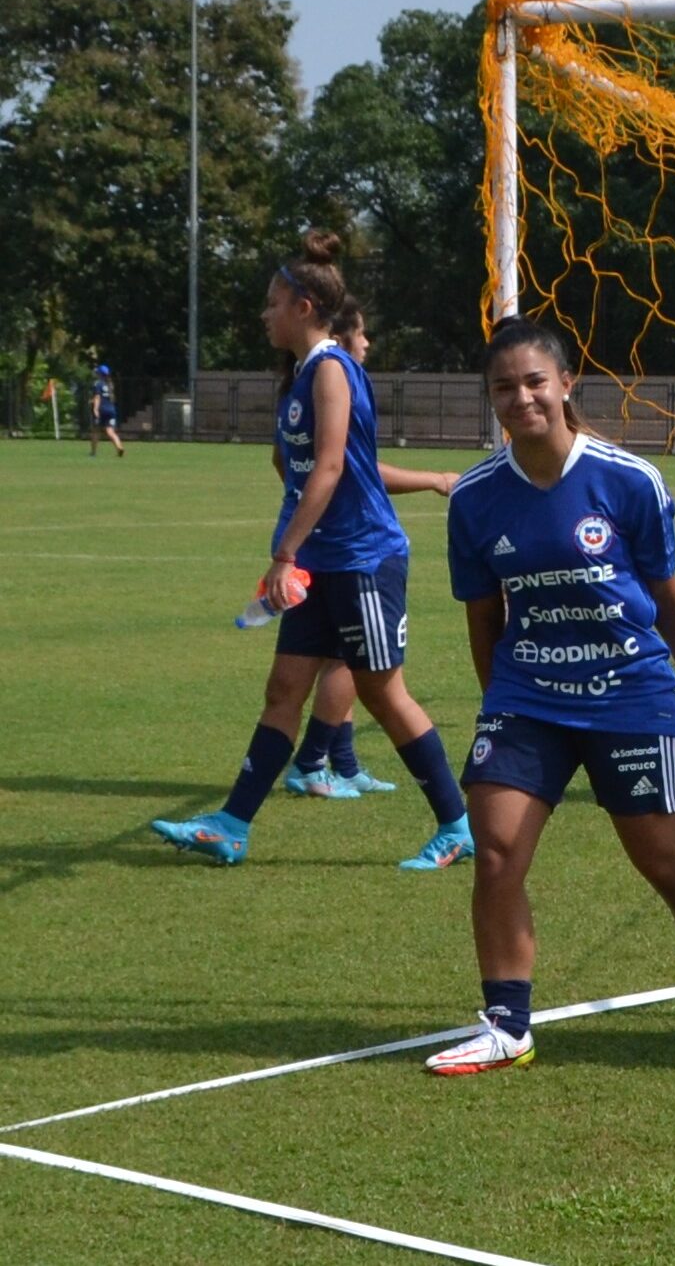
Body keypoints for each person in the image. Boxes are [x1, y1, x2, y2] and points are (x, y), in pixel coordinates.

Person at [424, 316, 675, 1076]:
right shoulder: (474, 498)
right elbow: (484, 616)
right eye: (504, 387)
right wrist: (500, 705)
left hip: (627, 694)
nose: (521, 398)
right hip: (527, 696)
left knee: (666, 864)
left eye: (535, 381)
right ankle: (508, 1024)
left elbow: (664, 589)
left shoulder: (628, 479)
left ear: (567, 384)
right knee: (496, 850)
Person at [150, 232, 473, 871]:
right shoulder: (301, 375)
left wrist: (284, 551)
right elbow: (295, 463)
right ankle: (232, 825)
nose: (263, 314)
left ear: (302, 305)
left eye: (272, 302)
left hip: (362, 559)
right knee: (283, 690)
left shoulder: (330, 369)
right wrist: (301, 544)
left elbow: (329, 468)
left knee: (384, 695)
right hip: (323, 562)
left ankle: (457, 826)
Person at [283, 307, 458, 800]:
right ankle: (314, 759)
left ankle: (340, 759)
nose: (368, 342)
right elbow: (339, 469)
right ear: (339, 335)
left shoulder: (318, 380)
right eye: (362, 332)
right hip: (354, 550)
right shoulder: (331, 377)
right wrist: (436, 480)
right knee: (356, 664)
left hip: (336, 547)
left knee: (346, 662)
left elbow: (309, 463)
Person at [89, 364, 124, 457]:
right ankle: (119, 447)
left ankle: (93, 452)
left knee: (96, 431)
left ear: (99, 374)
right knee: (110, 431)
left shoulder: (97, 383)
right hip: (111, 410)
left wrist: (95, 409)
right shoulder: (110, 385)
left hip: (102, 409)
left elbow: (98, 397)